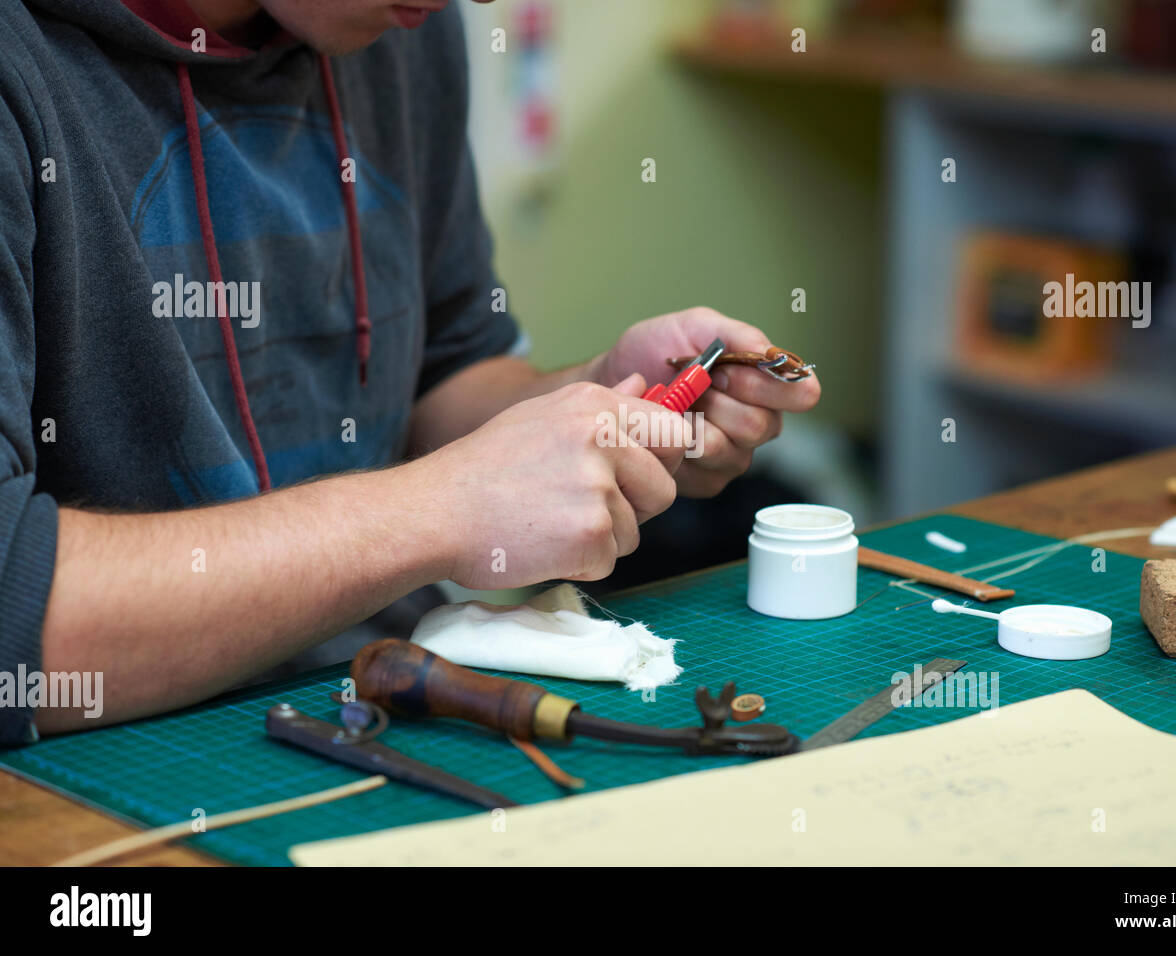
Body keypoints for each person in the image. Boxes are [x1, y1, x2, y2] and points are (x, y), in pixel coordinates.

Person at [0, 0, 819, 745]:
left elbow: (444, 376)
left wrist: (599, 398)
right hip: (115, 760)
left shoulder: (395, 31)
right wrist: (446, 508)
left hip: (393, 695)